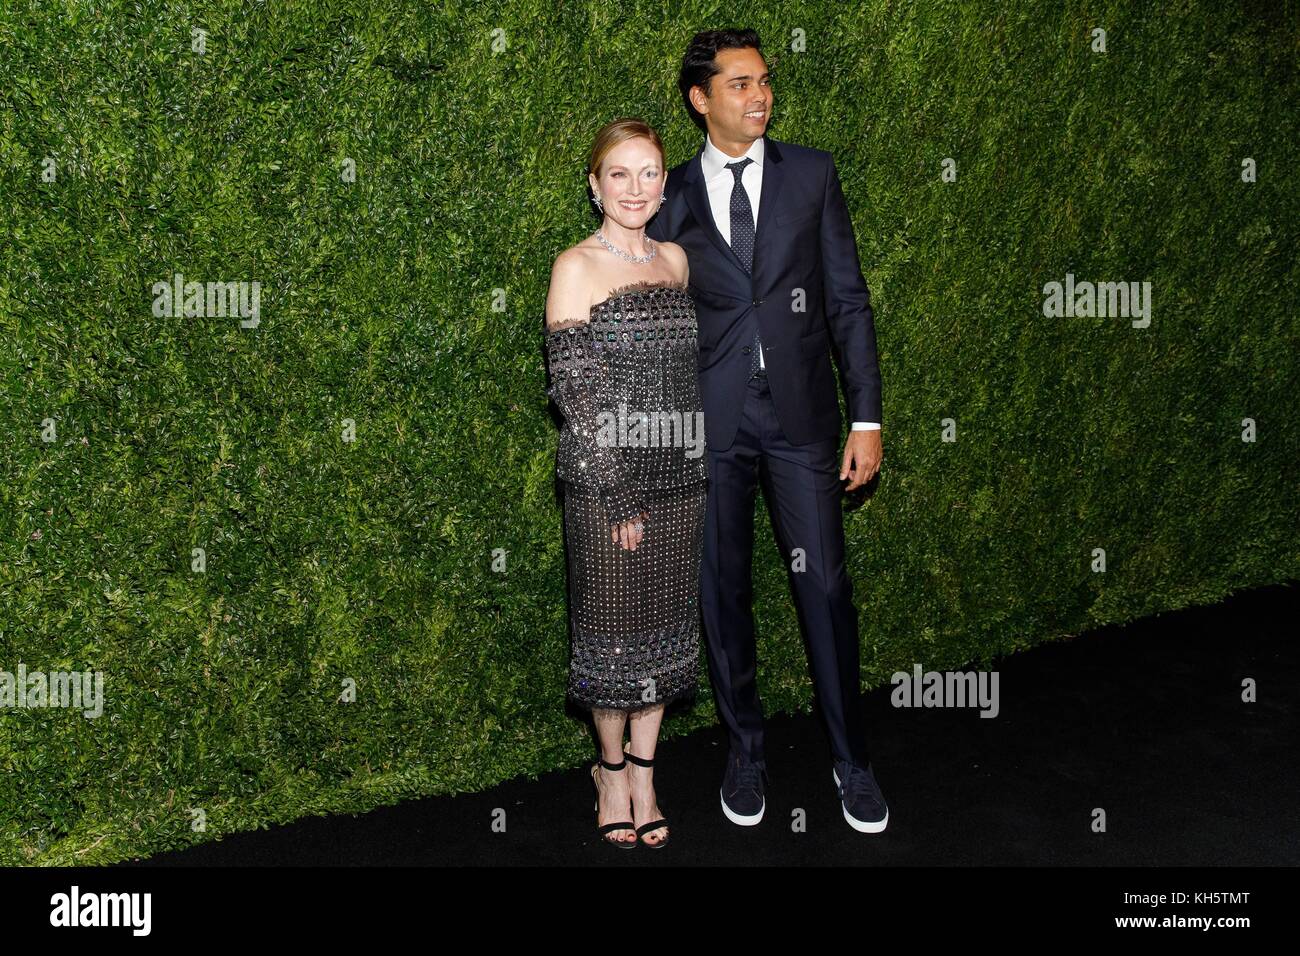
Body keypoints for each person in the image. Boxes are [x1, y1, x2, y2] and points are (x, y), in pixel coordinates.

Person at [645, 29, 889, 832]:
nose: (760, 96)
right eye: (741, 84)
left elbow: (847, 299)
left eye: (765, 82)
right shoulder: (671, 193)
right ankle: (744, 751)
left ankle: (852, 761)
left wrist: (866, 417)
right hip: (709, 425)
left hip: (803, 423)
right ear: (701, 98)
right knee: (722, 594)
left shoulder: (812, 174)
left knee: (823, 587)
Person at [544, 119, 707, 848]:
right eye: (619, 173)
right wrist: (617, 494)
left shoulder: (675, 261)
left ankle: (645, 772)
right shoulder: (575, 267)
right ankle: (609, 772)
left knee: (665, 636)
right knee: (613, 640)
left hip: (682, 480)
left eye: (649, 173)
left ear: (664, 183)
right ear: (594, 184)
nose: (635, 187)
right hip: (608, 483)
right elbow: (574, 392)